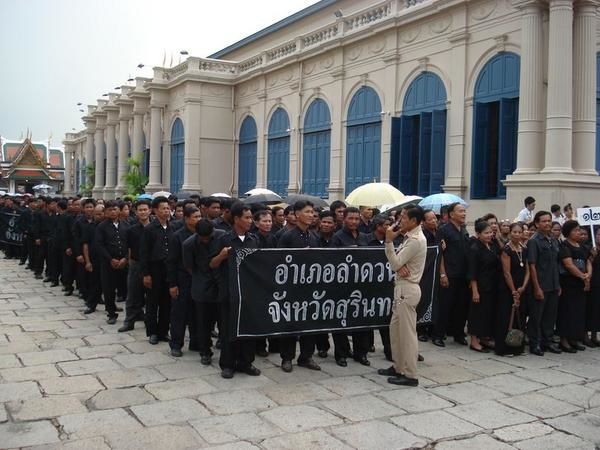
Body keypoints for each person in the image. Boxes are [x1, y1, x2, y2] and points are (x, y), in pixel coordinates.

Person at [210, 202, 261, 379]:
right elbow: (212, 263)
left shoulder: (253, 239)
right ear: (237, 219)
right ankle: (228, 364)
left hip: (249, 293)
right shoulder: (223, 239)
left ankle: (246, 362)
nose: (250, 221)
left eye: (251, 218)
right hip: (229, 292)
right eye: (246, 218)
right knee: (228, 329)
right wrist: (221, 255)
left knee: (248, 328)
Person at [377, 206, 427, 387]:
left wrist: (388, 242)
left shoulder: (415, 240)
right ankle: (398, 366)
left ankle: (411, 374)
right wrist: (398, 265)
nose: (400, 221)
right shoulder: (409, 237)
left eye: (404, 217)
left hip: (408, 289)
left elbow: (395, 262)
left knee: (407, 334)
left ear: (414, 221)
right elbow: (398, 264)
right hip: (401, 288)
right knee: (396, 331)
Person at [277, 201, 322, 373]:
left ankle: (306, 356)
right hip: (291, 288)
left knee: (309, 323)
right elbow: (279, 261)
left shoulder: (314, 236)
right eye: (307, 212)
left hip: (311, 287)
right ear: (297, 215)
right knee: (290, 323)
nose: (311, 215)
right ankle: (287, 358)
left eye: (312, 212)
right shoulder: (287, 236)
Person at [331, 206, 370, 366]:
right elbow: (331, 260)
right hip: (342, 286)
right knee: (340, 320)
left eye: (356, 219)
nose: (354, 222)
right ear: (344, 219)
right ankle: (341, 354)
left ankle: (361, 353)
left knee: (361, 320)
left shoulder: (363, 237)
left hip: (361, 284)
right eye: (351, 218)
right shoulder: (337, 237)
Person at [183, 219, 225, 365]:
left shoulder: (222, 236)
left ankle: (225, 347)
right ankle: (205, 351)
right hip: (201, 285)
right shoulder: (189, 244)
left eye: (208, 237)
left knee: (223, 320)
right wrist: (201, 276)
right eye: (203, 238)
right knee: (203, 322)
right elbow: (189, 267)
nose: (206, 240)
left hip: (221, 284)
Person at [432, 202, 470, 347]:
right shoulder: (444, 230)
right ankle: (438, 335)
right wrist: (442, 274)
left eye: (464, 211)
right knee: (444, 306)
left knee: (461, 306)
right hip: (449, 273)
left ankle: (458, 333)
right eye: (460, 211)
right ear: (451, 214)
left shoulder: (464, 229)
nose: (464, 213)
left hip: (463, 274)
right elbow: (439, 254)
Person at [527, 210, 562, 355]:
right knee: (537, 316)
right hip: (541, 284)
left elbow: (556, 263)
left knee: (550, 316)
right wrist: (536, 287)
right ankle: (535, 343)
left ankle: (547, 341)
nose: (547, 223)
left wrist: (558, 284)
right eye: (544, 221)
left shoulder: (553, 240)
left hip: (553, 284)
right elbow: (532, 265)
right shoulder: (534, 241)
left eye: (549, 220)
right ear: (537, 223)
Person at [140, 196, 173, 345]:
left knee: (167, 302)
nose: (166, 211)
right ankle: (152, 332)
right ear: (155, 210)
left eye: (168, 208)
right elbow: (144, 253)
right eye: (163, 208)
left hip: (169, 269)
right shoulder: (149, 229)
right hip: (154, 269)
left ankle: (163, 331)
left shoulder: (173, 227)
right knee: (153, 302)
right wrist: (146, 274)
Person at [557, 220, 592, 353]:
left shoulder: (582, 246)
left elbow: (588, 261)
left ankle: (573, 338)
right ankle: (564, 340)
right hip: (568, 283)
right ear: (568, 232)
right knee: (567, 311)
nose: (579, 232)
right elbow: (569, 265)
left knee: (578, 312)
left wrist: (588, 274)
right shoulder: (564, 246)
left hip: (580, 284)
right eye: (576, 230)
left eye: (579, 230)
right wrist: (582, 276)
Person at [467, 219, 501, 352]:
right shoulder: (475, 248)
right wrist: (475, 291)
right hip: (480, 286)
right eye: (486, 233)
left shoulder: (492, 246)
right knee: (477, 313)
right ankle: (474, 340)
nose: (489, 235)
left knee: (487, 313)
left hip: (492, 285)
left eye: (490, 232)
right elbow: (472, 272)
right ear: (478, 234)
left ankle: (484, 337)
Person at [495, 222, 529, 356]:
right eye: (514, 232)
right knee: (506, 317)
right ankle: (504, 348)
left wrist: (523, 287)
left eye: (519, 232)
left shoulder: (524, 249)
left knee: (520, 317)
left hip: (522, 287)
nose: (517, 234)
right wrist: (514, 290)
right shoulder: (506, 250)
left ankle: (517, 347)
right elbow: (506, 272)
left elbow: (528, 270)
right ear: (510, 233)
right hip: (508, 288)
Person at [118, 199, 151, 332]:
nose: (143, 212)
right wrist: (130, 262)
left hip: (151, 265)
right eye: (140, 210)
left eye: (145, 209)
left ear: (150, 210)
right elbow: (129, 249)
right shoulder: (131, 230)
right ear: (136, 212)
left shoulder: (154, 227)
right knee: (132, 294)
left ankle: (150, 321)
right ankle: (129, 321)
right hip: (136, 264)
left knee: (151, 296)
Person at [95, 200, 129, 325]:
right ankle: (111, 312)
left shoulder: (125, 225)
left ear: (119, 210)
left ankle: (132, 312)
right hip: (108, 262)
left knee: (126, 287)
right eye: (110, 210)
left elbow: (129, 244)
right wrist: (110, 259)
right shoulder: (101, 227)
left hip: (124, 261)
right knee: (108, 289)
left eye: (115, 209)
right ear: (105, 212)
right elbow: (99, 245)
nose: (113, 212)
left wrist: (125, 258)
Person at [253, 209, 277, 357]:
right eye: (264, 221)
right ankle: (259, 345)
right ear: (256, 223)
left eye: (269, 221)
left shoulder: (273, 238)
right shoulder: (253, 238)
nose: (268, 224)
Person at [82, 204, 105, 314]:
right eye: (96, 214)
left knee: (109, 285)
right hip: (94, 259)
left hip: (107, 259)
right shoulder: (90, 227)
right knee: (94, 283)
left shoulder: (108, 226)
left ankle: (111, 306)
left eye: (100, 214)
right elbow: (85, 245)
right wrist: (88, 261)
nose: (98, 216)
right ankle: (91, 304)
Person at [586, 227, 600, 346]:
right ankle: (586, 335)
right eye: (599, 234)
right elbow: (588, 263)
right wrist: (593, 256)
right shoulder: (591, 248)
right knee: (591, 309)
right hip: (593, 282)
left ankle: (595, 336)